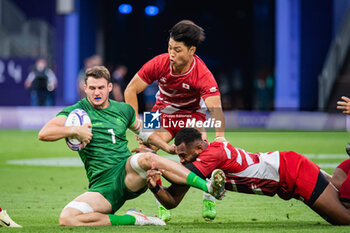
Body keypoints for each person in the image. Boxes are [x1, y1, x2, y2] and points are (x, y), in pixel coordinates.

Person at [38, 66, 225, 226]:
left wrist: (167, 148)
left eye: (101, 88)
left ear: (109, 87)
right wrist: (74, 130)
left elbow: (144, 132)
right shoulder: (77, 112)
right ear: (84, 88)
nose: (97, 92)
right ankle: (135, 219)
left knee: (149, 156)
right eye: (92, 88)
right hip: (102, 187)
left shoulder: (123, 110)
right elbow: (44, 133)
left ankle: (208, 188)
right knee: (67, 218)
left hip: (128, 172)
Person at [124, 19, 226, 221]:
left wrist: (221, 140)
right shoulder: (159, 63)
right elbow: (130, 90)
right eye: (170, 47)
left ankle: (209, 195)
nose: (171, 53)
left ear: (191, 51)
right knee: (147, 152)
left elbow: (216, 110)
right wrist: (137, 127)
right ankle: (161, 201)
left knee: (203, 149)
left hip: (191, 114)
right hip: (159, 112)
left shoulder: (203, 74)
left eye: (177, 50)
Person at [146, 127, 350, 225]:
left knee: (345, 219)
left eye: (183, 155)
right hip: (287, 169)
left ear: (199, 147)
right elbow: (171, 201)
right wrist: (155, 186)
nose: (181, 161)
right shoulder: (199, 162)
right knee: (341, 188)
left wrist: (150, 159)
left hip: (293, 172)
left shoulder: (211, 155)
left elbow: (177, 175)